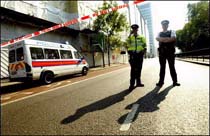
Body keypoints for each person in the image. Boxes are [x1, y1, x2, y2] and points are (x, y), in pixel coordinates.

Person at [156, 20, 180, 87]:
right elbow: (157, 38)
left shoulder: (172, 31)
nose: (165, 26)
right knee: (162, 68)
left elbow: (173, 38)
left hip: (170, 52)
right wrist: (167, 39)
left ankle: (175, 82)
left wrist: (163, 39)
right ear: (162, 26)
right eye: (163, 25)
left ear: (168, 25)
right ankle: (161, 82)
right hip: (162, 53)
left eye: (166, 25)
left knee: (172, 67)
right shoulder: (159, 33)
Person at [126, 24, 147, 91]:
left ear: (137, 29)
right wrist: (129, 35)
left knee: (139, 69)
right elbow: (127, 44)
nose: (134, 30)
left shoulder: (141, 37)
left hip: (139, 55)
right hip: (133, 55)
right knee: (133, 70)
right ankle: (131, 85)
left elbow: (144, 45)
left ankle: (138, 82)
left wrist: (143, 52)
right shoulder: (130, 37)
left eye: (135, 29)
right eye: (133, 29)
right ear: (132, 30)